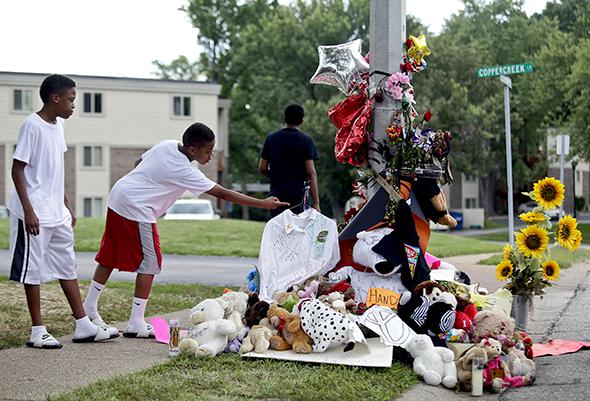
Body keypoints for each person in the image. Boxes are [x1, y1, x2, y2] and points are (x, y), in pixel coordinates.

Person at [83, 122, 288, 337]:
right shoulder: (184, 170)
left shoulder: (167, 145)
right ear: (192, 150)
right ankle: (135, 323)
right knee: (151, 262)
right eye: (207, 151)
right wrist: (263, 204)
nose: (210, 157)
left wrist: (146, 185)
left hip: (119, 195)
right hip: (136, 206)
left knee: (110, 255)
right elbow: (223, 194)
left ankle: (90, 307)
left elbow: (139, 162)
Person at [8, 74, 117, 349]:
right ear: (54, 98)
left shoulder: (57, 126)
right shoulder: (31, 126)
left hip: (56, 211)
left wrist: (66, 205)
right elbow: (17, 169)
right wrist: (29, 210)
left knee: (67, 266)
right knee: (32, 271)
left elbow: (54, 171)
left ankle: (83, 324)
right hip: (33, 213)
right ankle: (37, 331)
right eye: (70, 100)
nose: (73, 106)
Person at [259, 104, 320, 217]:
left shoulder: (271, 138)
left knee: (279, 230)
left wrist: (277, 178)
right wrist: (316, 203)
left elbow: (262, 168)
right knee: (300, 231)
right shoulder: (306, 140)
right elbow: (311, 172)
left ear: (285, 118)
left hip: (277, 195)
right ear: (301, 120)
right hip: (299, 196)